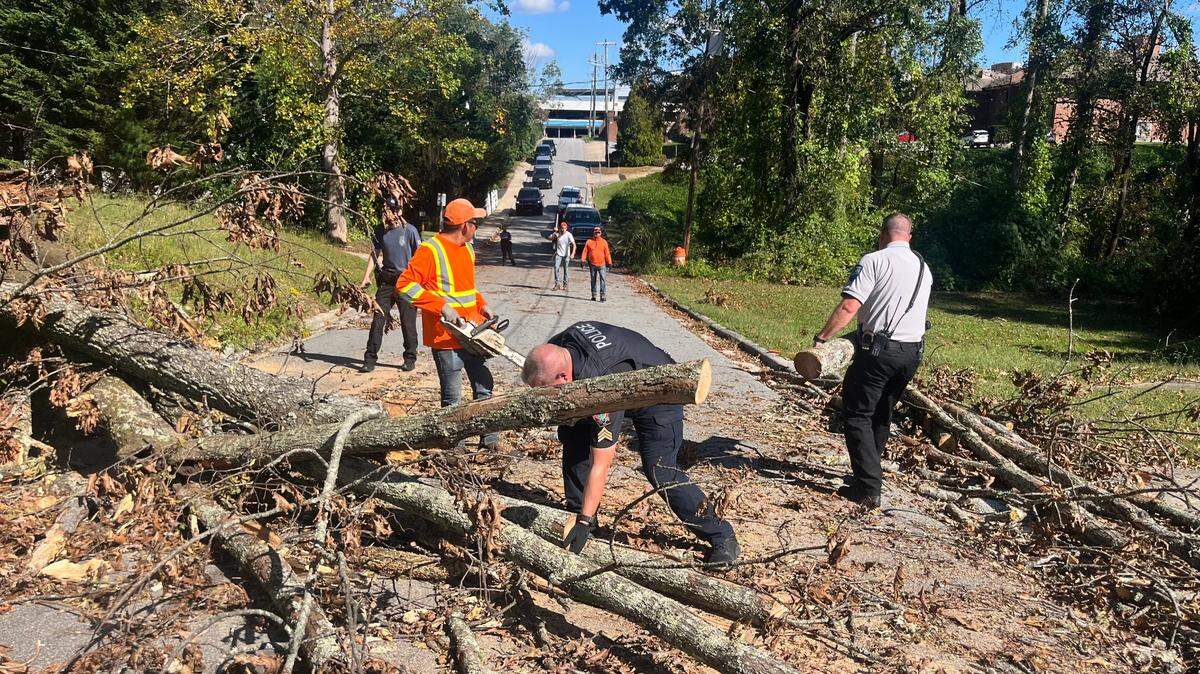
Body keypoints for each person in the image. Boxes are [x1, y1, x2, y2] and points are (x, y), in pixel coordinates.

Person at [521, 321, 740, 565]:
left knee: (660, 469)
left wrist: (583, 520)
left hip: (660, 394)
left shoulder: (603, 385)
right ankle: (580, 513)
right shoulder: (559, 345)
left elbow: (600, 463)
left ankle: (721, 534)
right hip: (624, 377)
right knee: (573, 432)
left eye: (546, 391)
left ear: (563, 376)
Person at [813, 212, 932, 509]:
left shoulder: (874, 260)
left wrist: (823, 337)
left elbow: (850, 305)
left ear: (883, 235)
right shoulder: (923, 267)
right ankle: (868, 476)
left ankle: (867, 488)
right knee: (881, 413)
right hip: (912, 353)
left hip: (878, 351)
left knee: (856, 414)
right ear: (909, 237)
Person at [396, 197, 499, 449]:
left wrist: (482, 305)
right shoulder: (431, 250)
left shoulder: (468, 249)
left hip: (473, 332)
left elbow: (466, 289)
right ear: (465, 226)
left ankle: (490, 441)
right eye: (475, 222)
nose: (477, 226)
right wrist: (440, 306)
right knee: (453, 398)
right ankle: (455, 449)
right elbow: (404, 285)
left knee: (484, 385)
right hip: (446, 337)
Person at [361, 200, 422, 373]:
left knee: (407, 322)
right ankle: (370, 358)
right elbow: (374, 255)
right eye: (388, 209)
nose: (391, 213)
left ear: (400, 211)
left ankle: (410, 358)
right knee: (378, 319)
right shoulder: (380, 230)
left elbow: (420, 258)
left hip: (406, 282)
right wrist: (366, 277)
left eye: (395, 209)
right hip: (387, 281)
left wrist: (419, 282)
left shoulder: (410, 230)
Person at [580, 226, 612, 302]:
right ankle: (594, 295)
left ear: (600, 233)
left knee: (603, 279)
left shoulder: (604, 242)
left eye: (598, 232)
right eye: (595, 232)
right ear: (593, 233)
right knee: (593, 280)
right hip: (592, 264)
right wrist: (583, 261)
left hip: (602, 264)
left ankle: (603, 295)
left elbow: (607, 253)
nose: (597, 234)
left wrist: (609, 263)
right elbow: (585, 252)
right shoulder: (589, 241)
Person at [547, 221, 575, 291]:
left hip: (566, 255)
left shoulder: (569, 235)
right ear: (560, 228)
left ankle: (565, 284)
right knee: (556, 268)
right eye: (562, 228)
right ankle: (557, 284)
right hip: (558, 254)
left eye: (564, 228)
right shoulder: (557, 234)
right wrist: (554, 232)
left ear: (566, 228)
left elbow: (574, 245)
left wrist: (573, 253)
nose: (563, 230)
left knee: (566, 269)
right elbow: (549, 238)